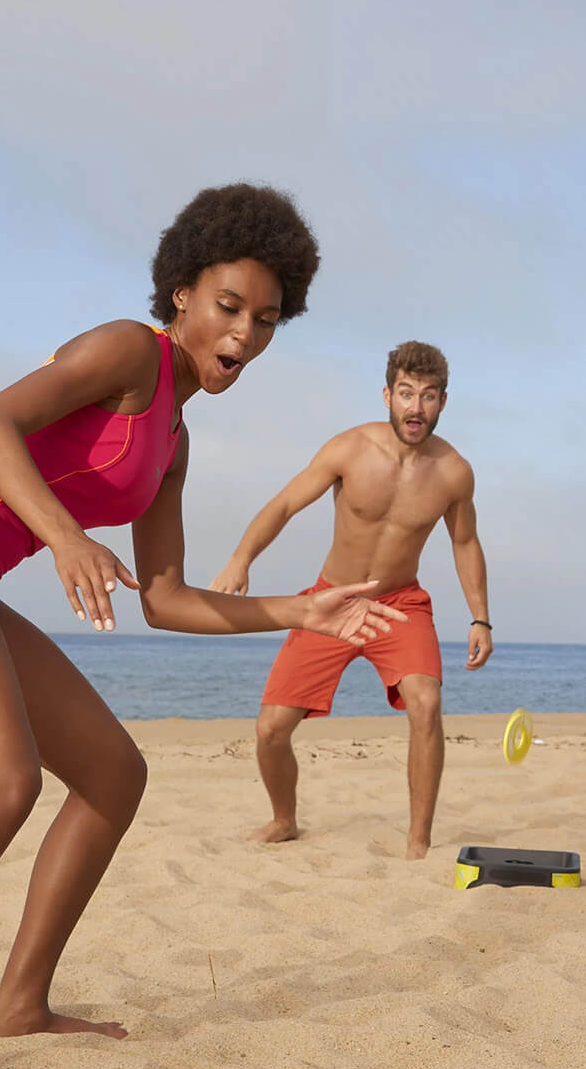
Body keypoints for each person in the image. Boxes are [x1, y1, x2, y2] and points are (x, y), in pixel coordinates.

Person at [0, 184, 406, 1069]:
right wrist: (63, 534)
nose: (245, 335)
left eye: (266, 320)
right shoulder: (126, 349)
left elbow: (165, 598)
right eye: (229, 308)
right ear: (181, 293)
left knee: (112, 775)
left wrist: (301, 610)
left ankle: (20, 1003)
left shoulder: (171, 437)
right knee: (2, 781)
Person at [210, 341, 491, 859]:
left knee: (426, 704)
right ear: (387, 394)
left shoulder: (454, 472)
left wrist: (481, 618)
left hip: (399, 604)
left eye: (428, 396)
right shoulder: (349, 449)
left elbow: (465, 542)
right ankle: (284, 819)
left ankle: (418, 840)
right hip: (329, 603)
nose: (416, 407)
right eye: (406, 393)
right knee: (271, 729)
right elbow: (286, 503)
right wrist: (240, 559)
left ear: (443, 402)